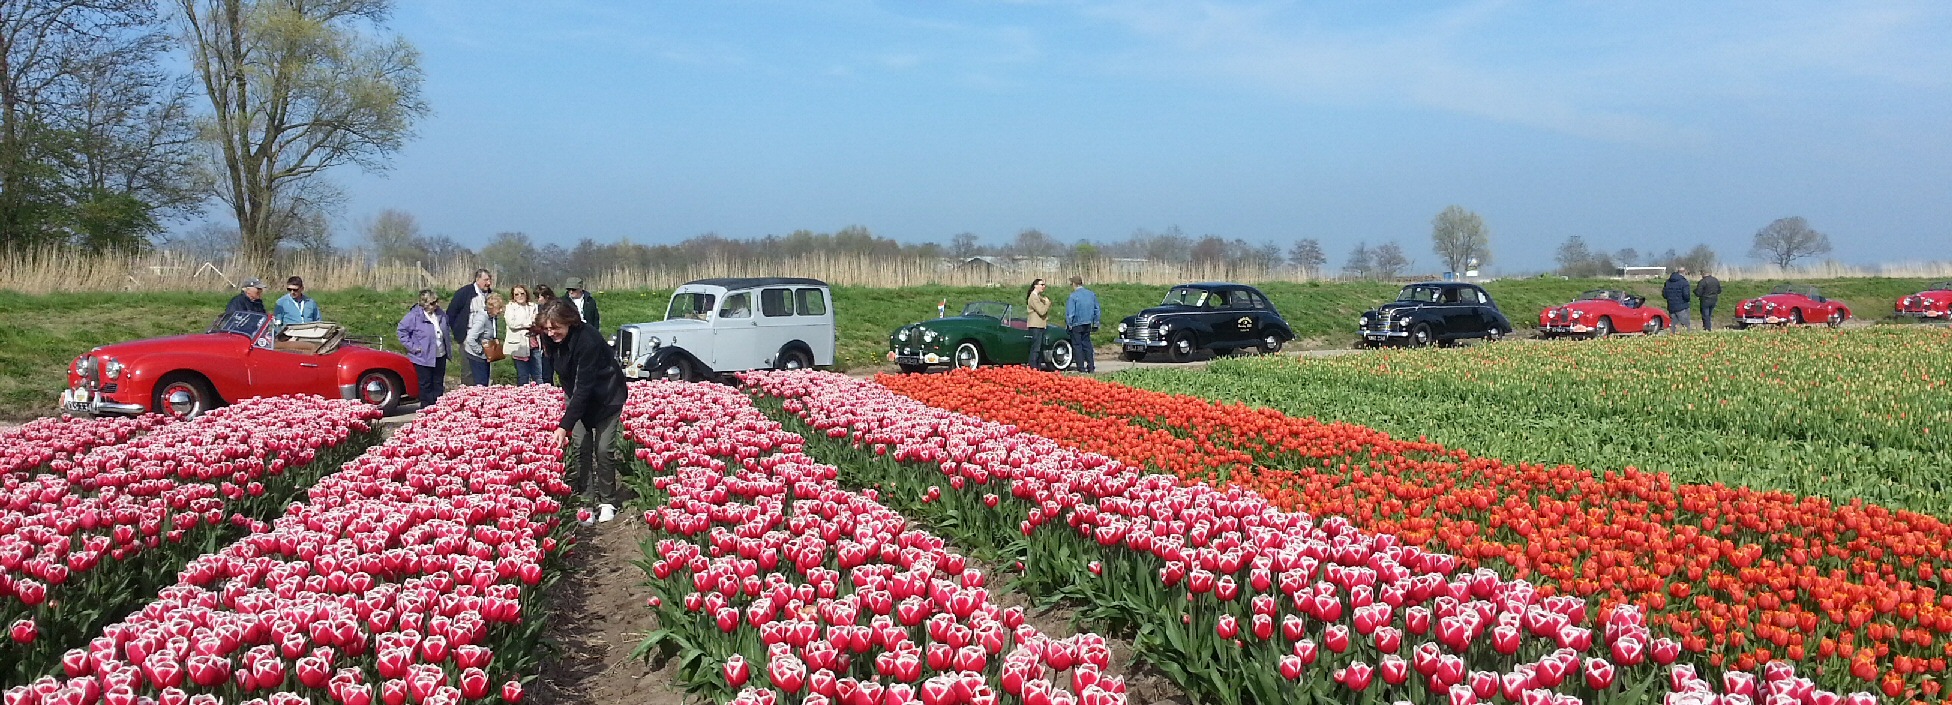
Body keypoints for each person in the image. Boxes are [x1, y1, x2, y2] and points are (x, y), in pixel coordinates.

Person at [537, 299, 627, 523]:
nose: (550, 333)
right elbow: (564, 376)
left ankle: (607, 500)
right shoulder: (549, 338)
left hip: (606, 396)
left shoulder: (589, 340)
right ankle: (586, 502)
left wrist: (563, 425)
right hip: (576, 395)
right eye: (546, 328)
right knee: (580, 447)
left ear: (569, 321)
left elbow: (585, 386)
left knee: (604, 449)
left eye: (555, 328)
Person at [395, 290, 450, 409]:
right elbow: (401, 332)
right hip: (423, 357)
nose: (435, 305)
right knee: (426, 386)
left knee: (438, 384)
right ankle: (426, 410)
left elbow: (446, 329)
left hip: (440, 354)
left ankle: (438, 409)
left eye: (436, 302)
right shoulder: (414, 316)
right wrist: (414, 347)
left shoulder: (440, 314)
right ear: (424, 304)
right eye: (432, 303)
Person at [462, 292, 505, 386]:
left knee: (485, 382)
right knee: (481, 384)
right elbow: (470, 338)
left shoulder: (492, 317)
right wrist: (481, 351)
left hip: (485, 356)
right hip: (477, 356)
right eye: (499, 308)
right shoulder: (482, 319)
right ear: (491, 307)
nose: (501, 310)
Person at [504, 285, 543, 384]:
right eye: (516, 294)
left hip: (534, 344)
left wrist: (528, 322)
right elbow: (511, 323)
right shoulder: (510, 307)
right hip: (519, 345)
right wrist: (528, 323)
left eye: (522, 293)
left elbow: (537, 320)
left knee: (538, 375)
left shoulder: (533, 306)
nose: (519, 296)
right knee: (523, 375)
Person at [1064, 275, 1100, 373]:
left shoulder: (1073, 296)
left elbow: (1070, 312)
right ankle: (1091, 366)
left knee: (1077, 345)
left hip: (1076, 323)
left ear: (1074, 284)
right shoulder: (1091, 294)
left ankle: (1081, 367)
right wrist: (1096, 322)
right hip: (1088, 322)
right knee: (1087, 344)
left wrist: (1069, 324)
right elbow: (1097, 309)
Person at [448, 269, 493, 341]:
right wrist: (458, 331)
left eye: (490, 280)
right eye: (486, 280)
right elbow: (451, 313)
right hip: (468, 337)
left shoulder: (491, 294)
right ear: (477, 279)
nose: (489, 283)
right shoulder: (464, 293)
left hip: (485, 338)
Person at [532, 285, 558, 385]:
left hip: (556, 343)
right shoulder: (539, 308)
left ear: (546, 297)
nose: (537, 300)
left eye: (538, 297)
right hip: (545, 344)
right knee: (546, 374)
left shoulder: (556, 307)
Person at [1025, 278, 1051, 370]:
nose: (1043, 286)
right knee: (1035, 348)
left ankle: (1038, 367)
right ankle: (1033, 367)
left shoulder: (1038, 297)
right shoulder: (1033, 297)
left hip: (1040, 325)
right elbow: (1041, 311)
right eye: (1041, 284)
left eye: (1044, 285)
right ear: (1035, 285)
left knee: (1039, 348)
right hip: (1035, 326)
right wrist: (1047, 304)